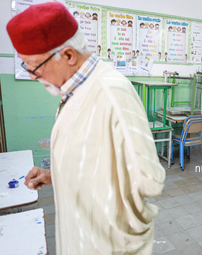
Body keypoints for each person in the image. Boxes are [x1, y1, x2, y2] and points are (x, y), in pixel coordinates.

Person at [6, 2, 165, 254]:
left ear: (68, 55)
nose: (33, 76)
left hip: (108, 244)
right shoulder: (74, 89)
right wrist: (55, 175)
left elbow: (150, 180)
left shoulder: (112, 92)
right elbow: (91, 157)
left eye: (35, 66)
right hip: (81, 237)